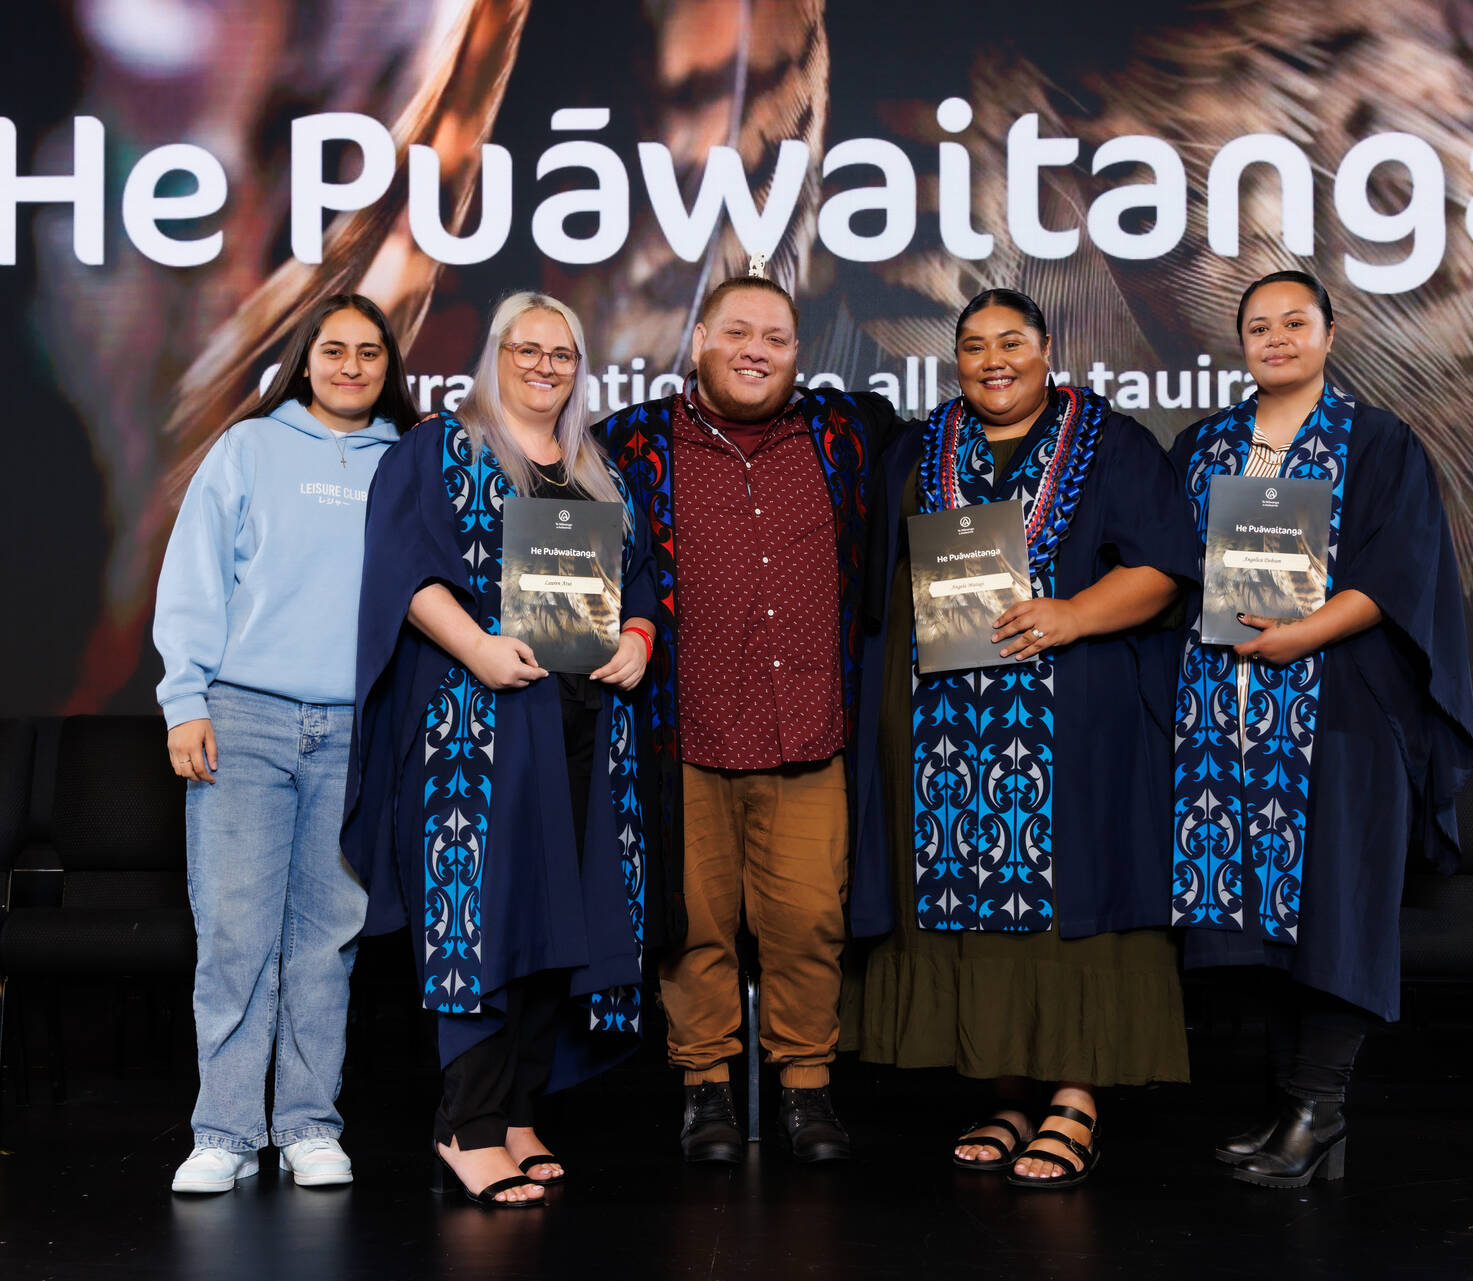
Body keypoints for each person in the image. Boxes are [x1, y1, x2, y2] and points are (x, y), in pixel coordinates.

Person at [849, 287, 1197, 1188]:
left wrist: (1073, 614)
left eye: (1012, 342)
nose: (993, 360)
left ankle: (1075, 1098)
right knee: (969, 915)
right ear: (955, 361)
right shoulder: (917, 449)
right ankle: (1004, 1091)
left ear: (1047, 350)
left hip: (1074, 723)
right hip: (944, 737)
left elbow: (1166, 566)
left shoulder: (1113, 444)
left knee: (1073, 905)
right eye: (974, 346)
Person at [1169, 270, 1473, 1188]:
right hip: (1224, 719)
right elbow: (1170, 569)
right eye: (1258, 326)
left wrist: (1302, 634)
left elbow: (1401, 571)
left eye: (1294, 322)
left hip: (1341, 706)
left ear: (1330, 334)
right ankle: (1290, 1112)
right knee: (1263, 919)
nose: (1276, 338)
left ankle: (1318, 1111)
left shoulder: (1378, 441)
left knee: (1335, 905)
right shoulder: (1203, 445)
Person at [343, 293, 654, 1207]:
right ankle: (466, 1125)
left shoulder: (599, 470)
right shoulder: (438, 449)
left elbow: (640, 580)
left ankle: (519, 1110)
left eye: (563, 354)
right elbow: (402, 570)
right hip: (475, 728)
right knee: (481, 918)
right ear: (497, 354)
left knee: (558, 918)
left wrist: (639, 637)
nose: (545, 366)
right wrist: (477, 647)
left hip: (584, 727)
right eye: (529, 349)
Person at [597, 274, 896, 1164]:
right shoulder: (629, 443)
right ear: (699, 341)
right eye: (736, 331)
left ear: (799, 353)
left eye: (775, 336)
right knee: (694, 928)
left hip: (809, 728)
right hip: (684, 732)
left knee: (809, 924)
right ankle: (707, 1090)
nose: (755, 350)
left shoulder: (846, 434)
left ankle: (807, 1086)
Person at [154, 292, 419, 1193]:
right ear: (305, 359)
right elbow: (194, 578)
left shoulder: (405, 461)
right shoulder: (249, 448)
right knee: (235, 936)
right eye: (334, 349)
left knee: (327, 940)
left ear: (389, 366)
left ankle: (308, 1124)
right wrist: (184, 699)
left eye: (369, 352)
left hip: (355, 729)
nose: (351, 366)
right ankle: (224, 1132)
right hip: (244, 719)